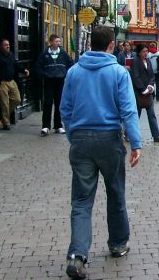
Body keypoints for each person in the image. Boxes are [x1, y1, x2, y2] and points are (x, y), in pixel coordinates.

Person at [59, 25, 143, 279]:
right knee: (115, 193)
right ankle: (118, 244)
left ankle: (77, 255)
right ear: (110, 45)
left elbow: (65, 109)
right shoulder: (118, 72)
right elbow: (128, 110)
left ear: (90, 44)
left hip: (81, 140)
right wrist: (136, 144)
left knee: (82, 201)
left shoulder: (74, 72)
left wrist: (74, 134)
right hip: (109, 140)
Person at [36, 34, 74, 136]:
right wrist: (44, 75)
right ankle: (45, 126)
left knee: (59, 104)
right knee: (47, 103)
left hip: (60, 81)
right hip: (49, 81)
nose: (58, 43)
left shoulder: (63, 53)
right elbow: (38, 66)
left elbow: (71, 64)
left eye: (59, 41)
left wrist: (65, 73)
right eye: (56, 41)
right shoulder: (44, 54)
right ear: (51, 42)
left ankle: (58, 126)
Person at [130, 44, 159, 143]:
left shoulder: (148, 61)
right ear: (139, 52)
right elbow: (135, 77)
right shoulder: (135, 61)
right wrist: (142, 89)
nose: (146, 53)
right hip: (138, 93)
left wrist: (150, 86)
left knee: (151, 115)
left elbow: (152, 75)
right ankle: (129, 134)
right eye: (143, 51)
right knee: (136, 115)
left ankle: (156, 135)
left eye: (147, 51)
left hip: (148, 92)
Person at [0, 39, 28, 131]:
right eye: (6, 45)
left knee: (17, 99)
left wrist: (24, 70)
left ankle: (2, 116)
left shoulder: (10, 55)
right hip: (3, 82)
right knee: (4, 103)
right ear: (1, 46)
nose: (8, 46)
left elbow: (15, 65)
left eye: (8, 45)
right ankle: (6, 123)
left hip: (11, 81)